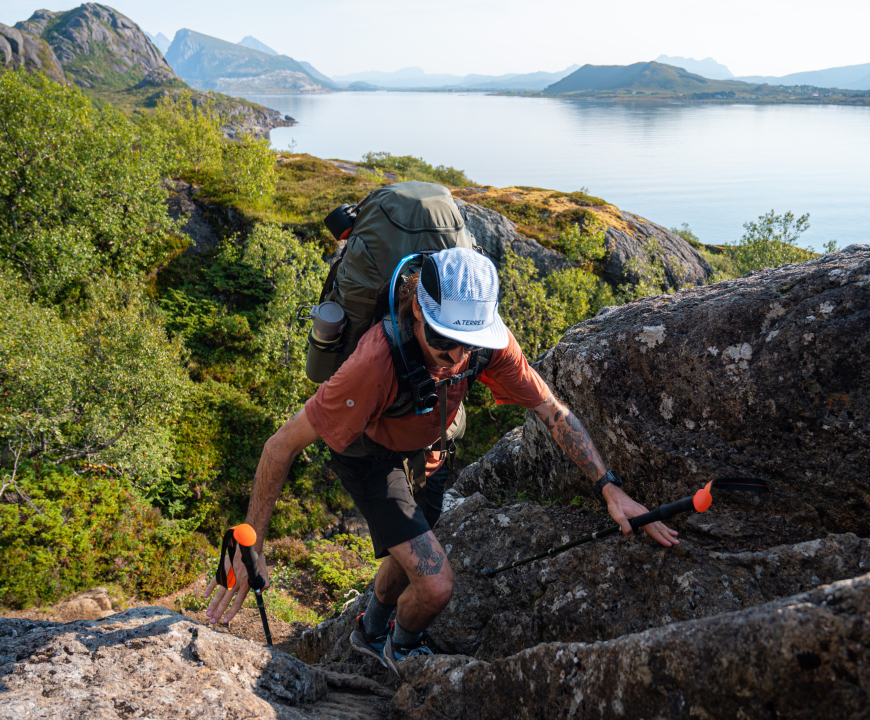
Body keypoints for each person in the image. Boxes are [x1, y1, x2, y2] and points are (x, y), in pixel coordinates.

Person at [204, 247, 679, 674]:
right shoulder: (374, 364)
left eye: (467, 344)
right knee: (435, 587)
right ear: (417, 310)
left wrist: (609, 487)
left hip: (429, 447)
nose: (455, 357)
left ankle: (369, 633)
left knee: (409, 548)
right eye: (442, 339)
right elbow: (279, 445)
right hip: (370, 457)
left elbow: (551, 411)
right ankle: (402, 649)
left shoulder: (486, 346)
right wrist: (252, 546)